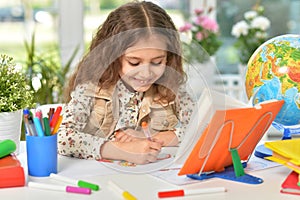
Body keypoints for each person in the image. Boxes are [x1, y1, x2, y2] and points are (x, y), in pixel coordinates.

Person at [57, 1, 195, 165]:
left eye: (157, 62)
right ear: (113, 57)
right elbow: (62, 137)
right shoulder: (91, 86)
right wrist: (121, 150)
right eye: (134, 63)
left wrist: (154, 137)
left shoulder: (171, 86)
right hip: (100, 180)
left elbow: (203, 127)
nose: (146, 73)